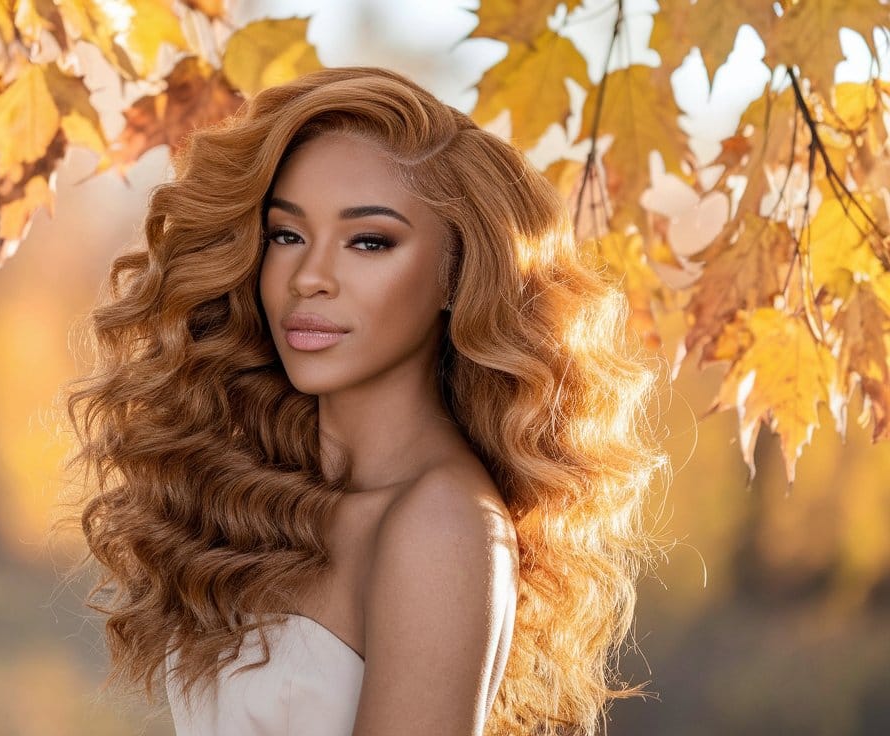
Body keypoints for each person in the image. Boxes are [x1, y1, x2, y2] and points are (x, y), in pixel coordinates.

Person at [56, 65, 670, 735]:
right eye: (286, 235)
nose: (310, 278)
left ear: (456, 274)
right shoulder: (273, 501)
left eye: (369, 241)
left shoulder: (441, 523)